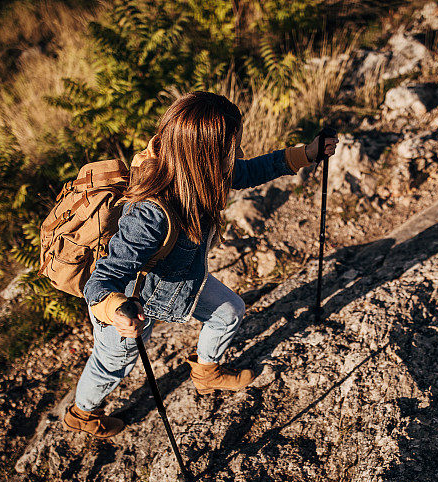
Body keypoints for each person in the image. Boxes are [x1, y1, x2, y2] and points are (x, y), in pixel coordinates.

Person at [62, 91, 338, 438]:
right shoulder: (149, 213)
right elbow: (103, 280)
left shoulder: (201, 173)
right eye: (230, 147)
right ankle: (82, 413)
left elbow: (250, 170)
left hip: (178, 283)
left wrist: (307, 154)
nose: (236, 153)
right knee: (114, 363)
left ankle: (207, 375)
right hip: (129, 302)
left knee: (229, 311)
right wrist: (117, 310)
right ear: (204, 153)